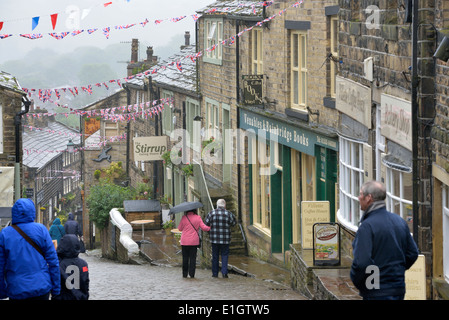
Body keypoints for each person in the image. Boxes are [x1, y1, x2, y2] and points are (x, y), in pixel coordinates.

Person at [350, 180, 419, 300]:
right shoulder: (399, 221)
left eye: (361, 194)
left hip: (376, 293)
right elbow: (412, 253)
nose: (358, 197)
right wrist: (396, 271)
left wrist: (362, 283)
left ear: (368, 198)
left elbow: (362, 263)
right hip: (398, 290)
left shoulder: (367, 227)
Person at [0, 198, 60, 300]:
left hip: (17, 289)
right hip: (41, 287)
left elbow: (0, 266)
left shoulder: (5, 234)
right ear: (32, 211)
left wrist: (2, 291)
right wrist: (56, 289)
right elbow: (53, 262)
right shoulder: (41, 230)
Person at [205, 199, 236, 278]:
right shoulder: (228, 213)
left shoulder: (211, 213)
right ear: (224, 205)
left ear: (217, 205)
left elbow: (206, 223)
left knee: (215, 256)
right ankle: (224, 272)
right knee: (224, 255)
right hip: (225, 239)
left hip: (214, 239)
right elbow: (234, 223)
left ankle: (215, 273)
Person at [52, 234, 89, 300]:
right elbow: (86, 282)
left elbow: (55, 283)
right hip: (80, 297)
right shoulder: (83, 263)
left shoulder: (59, 264)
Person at [177, 209, 210, 278]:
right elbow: (204, 228)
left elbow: (179, 228)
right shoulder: (198, 217)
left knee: (185, 258)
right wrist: (210, 227)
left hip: (184, 241)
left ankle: (184, 274)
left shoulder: (184, 218)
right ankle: (192, 274)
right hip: (194, 242)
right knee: (193, 258)